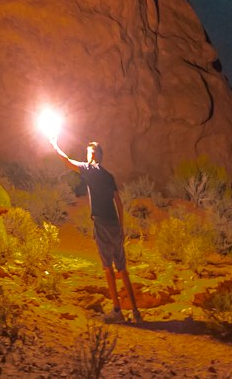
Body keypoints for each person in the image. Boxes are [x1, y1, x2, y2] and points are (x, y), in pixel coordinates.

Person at [52, 138, 142, 324]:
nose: (86, 155)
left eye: (88, 152)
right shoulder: (109, 176)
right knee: (122, 269)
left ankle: (117, 311)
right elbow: (119, 202)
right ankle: (135, 312)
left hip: (101, 223)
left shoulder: (89, 169)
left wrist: (54, 144)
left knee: (107, 268)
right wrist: (122, 227)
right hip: (115, 224)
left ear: (92, 155)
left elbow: (66, 161)